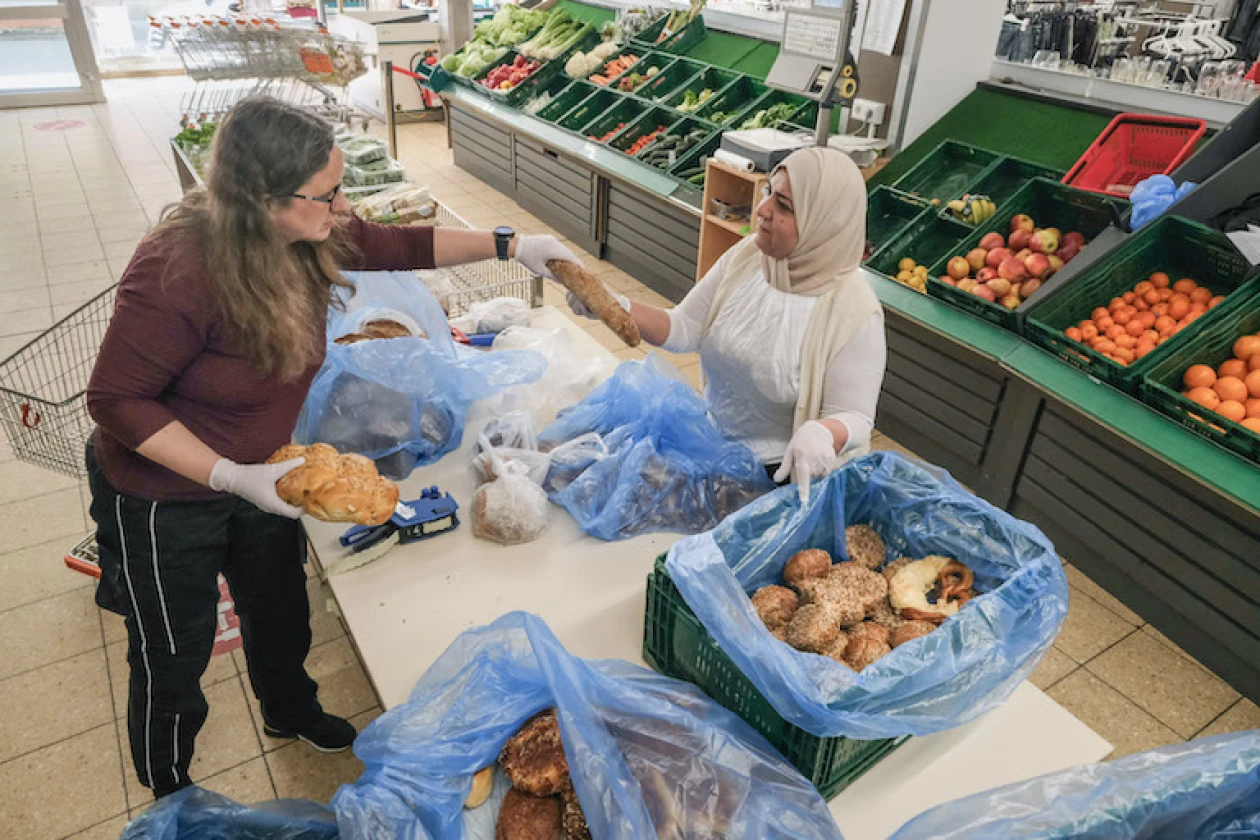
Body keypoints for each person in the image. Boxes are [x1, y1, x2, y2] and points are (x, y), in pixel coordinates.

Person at [84, 96, 578, 799]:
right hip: (168, 495)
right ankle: (170, 792)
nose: (342, 207)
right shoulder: (177, 269)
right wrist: (227, 474)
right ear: (260, 201)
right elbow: (113, 400)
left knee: (280, 610)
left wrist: (512, 245)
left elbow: (397, 244)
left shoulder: (307, 234)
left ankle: (290, 711)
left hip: (267, 471)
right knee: (173, 651)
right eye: (326, 194)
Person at [568, 147, 886, 501]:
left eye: (784, 206)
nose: (762, 210)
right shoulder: (750, 256)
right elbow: (685, 325)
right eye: (769, 193)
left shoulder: (854, 311)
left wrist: (825, 432)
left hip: (781, 481)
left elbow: (855, 415)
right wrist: (613, 306)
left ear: (823, 223)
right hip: (712, 450)